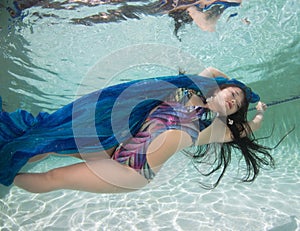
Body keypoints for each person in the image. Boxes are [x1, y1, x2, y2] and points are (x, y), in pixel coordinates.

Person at [0, 67, 272, 193]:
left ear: (233, 113)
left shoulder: (210, 130)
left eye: (237, 103)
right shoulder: (185, 90)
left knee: (54, 178)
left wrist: (258, 111)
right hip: (114, 143)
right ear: (223, 88)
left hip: (130, 172)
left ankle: (4, 180)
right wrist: (244, 88)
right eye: (233, 93)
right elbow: (212, 71)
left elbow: (248, 128)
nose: (233, 100)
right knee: (46, 144)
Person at [6, 0, 242, 36]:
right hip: (154, 5)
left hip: (152, 7)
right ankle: (32, 9)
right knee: (96, 8)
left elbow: (206, 25)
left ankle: (34, 13)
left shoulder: (232, 4)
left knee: (98, 14)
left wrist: (193, 11)